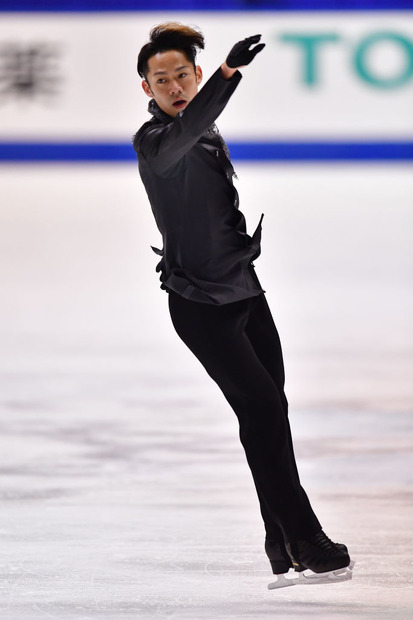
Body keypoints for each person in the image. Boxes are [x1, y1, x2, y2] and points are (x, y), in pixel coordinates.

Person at [133, 23, 353, 588]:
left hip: (246, 295)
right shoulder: (155, 144)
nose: (175, 85)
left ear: (195, 75)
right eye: (163, 79)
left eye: (184, 74)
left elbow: (201, 131)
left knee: (268, 416)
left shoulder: (205, 134)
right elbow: (190, 127)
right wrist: (229, 76)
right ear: (147, 89)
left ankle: (279, 539)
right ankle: (306, 536)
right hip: (200, 306)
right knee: (261, 411)